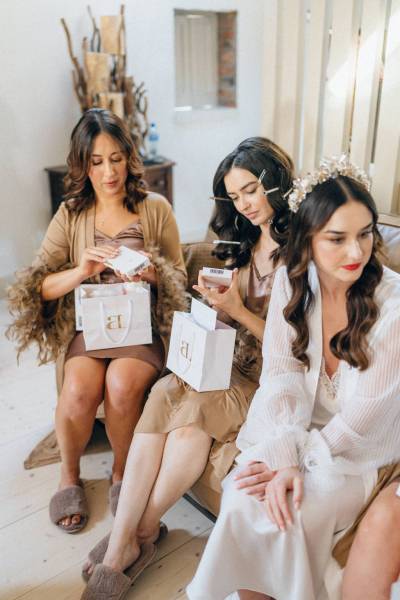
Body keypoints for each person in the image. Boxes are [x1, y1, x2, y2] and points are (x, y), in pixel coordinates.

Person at [79, 137, 294, 598]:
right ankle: (125, 541)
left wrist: (235, 310)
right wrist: (211, 306)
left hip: (268, 379)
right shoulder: (244, 241)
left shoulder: (303, 255)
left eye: (252, 189)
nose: (246, 204)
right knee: (163, 393)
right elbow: (225, 314)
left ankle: (134, 538)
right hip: (226, 359)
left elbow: (297, 349)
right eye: (235, 196)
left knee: (192, 417)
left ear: (275, 182)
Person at [186, 156, 400, 600]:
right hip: (294, 432)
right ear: (308, 240)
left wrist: (300, 462)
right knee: (245, 502)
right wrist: (284, 455)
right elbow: (281, 371)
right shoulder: (293, 279)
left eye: (365, 234)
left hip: (356, 453)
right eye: (337, 239)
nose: (356, 252)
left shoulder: (394, 308)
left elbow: (365, 419)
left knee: (288, 512)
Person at [7, 108, 187, 533]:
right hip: (90, 327)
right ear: (82, 164)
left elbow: (181, 275)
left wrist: (153, 272)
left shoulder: (155, 208)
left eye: (116, 158)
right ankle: (68, 475)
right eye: (96, 161)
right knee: (78, 389)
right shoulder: (71, 213)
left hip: (140, 328)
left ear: (129, 157)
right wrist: (81, 270)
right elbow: (39, 285)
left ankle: (122, 472)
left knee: (121, 386)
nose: (109, 171)